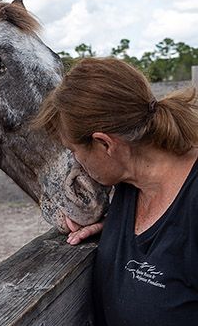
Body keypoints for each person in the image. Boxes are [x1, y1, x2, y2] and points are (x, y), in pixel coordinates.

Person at [33, 57, 198, 326]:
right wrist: (109, 229)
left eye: (75, 151)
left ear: (105, 144)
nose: (76, 163)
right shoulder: (127, 188)